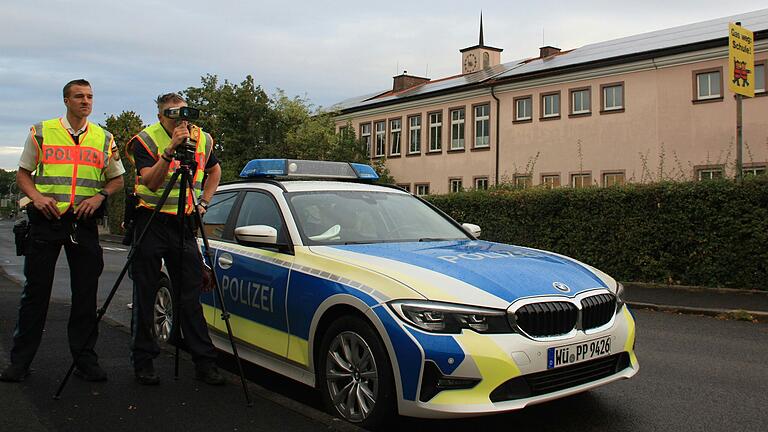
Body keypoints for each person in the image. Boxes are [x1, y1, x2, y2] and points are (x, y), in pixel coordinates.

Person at [0, 79, 125, 383]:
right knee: (35, 293)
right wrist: (38, 197)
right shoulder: (41, 132)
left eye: (90, 97)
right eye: (79, 96)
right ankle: (20, 362)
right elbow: (23, 174)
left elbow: (117, 179)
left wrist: (99, 197)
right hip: (47, 220)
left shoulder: (103, 137)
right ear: (66, 101)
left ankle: (85, 361)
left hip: (83, 223)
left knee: (85, 294)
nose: (86, 101)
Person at [126, 93, 223, 385]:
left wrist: (204, 201)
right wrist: (169, 150)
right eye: (172, 114)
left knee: (190, 295)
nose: (180, 119)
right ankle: (144, 360)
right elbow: (151, 181)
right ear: (160, 117)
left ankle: (204, 362)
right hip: (151, 219)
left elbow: (214, 169)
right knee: (145, 292)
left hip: (183, 223)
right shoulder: (144, 140)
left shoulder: (202, 138)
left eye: (184, 113)